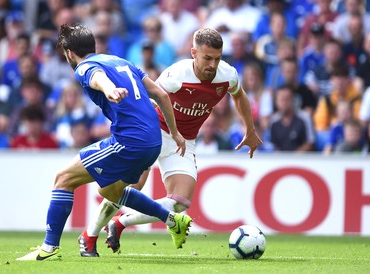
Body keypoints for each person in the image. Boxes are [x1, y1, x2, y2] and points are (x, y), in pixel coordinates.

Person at [77, 27, 262, 257]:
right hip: (154, 133)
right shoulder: (176, 76)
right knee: (128, 188)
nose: (212, 65)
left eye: (217, 58)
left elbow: (239, 94)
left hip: (184, 141)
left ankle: (120, 223)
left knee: (180, 203)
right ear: (193, 53)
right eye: (207, 58)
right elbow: (147, 100)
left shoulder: (227, 74)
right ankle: (89, 236)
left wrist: (250, 130)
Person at [16, 23, 190, 261]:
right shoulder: (121, 62)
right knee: (110, 190)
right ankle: (172, 220)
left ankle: (49, 248)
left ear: (69, 53)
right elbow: (161, 94)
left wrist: (110, 90)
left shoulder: (84, 66)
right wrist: (175, 132)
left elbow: (96, 78)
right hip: (152, 142)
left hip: (130, 141)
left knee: (63, 179)